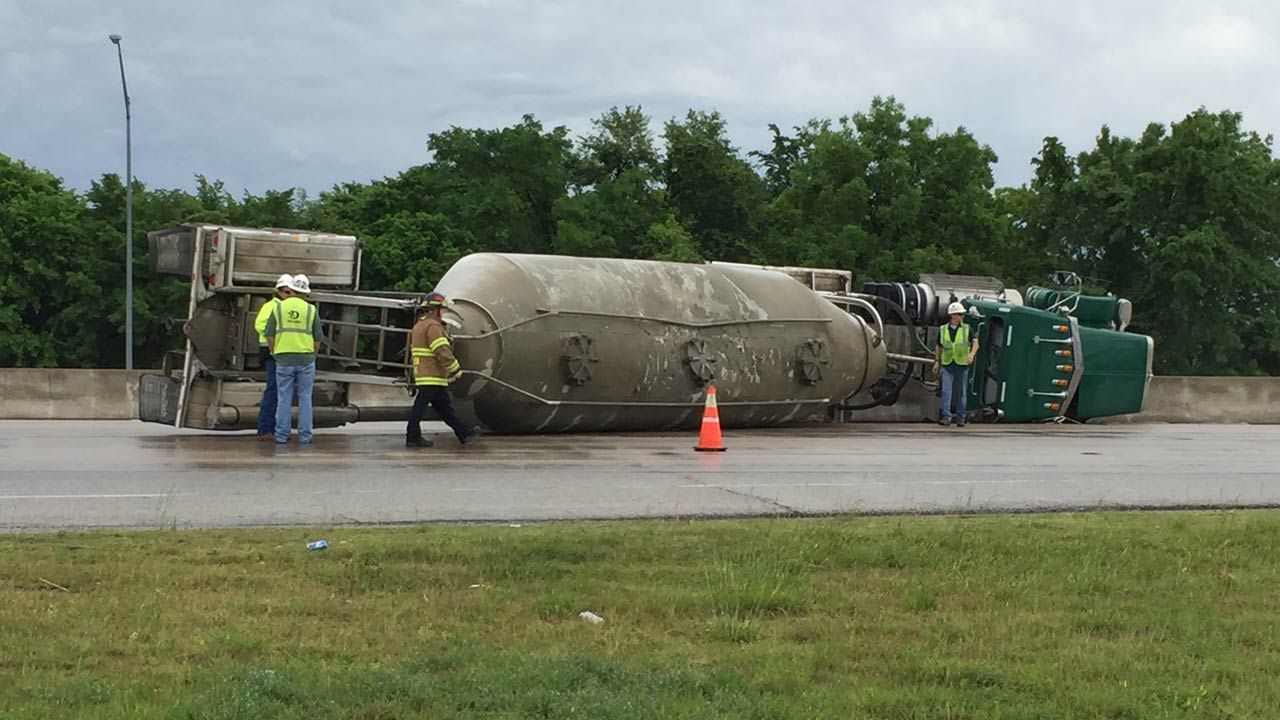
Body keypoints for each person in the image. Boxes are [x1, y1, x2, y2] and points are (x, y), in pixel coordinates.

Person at [406, 292, 479, 448]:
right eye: (442, 309)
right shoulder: (433, 326)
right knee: (420, 407)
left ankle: (464, 433)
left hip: (428, 374)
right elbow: (441, 349)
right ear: (435, 310)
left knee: (445, 409)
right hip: (431, 375)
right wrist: (455, 368)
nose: (443, 313)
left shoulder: (420, 325)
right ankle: (412, 437)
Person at [265, 274, 322, 444]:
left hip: (283, 358)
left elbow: (269, 334)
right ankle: (305, 436)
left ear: (293, 289)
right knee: (305, 397)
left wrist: (274, 352)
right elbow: (318, 337)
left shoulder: (278, 308)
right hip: (305, 358)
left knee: (284, 398)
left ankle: (281, 436)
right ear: (305, 292)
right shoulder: (311, 310)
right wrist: (313, 353)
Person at [253, 274, 293, 440]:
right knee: (274, 390)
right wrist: (277, 337)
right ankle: (265, 429)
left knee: (280, 392)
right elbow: (260, 325)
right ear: (279, 291)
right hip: (271, 352)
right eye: (286, 292)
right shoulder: (271, 306)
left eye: (292, 292)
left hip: (281, 351)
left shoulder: (285, 307)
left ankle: (276, 429)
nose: (289, 295)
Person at [933, 301, 979, 427]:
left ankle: (961, 417)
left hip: (962, 364)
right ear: (952, 315)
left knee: (961, 393)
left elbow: (975, 343)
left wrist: (971, 354)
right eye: (959, 314)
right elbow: (938, 345)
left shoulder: (967, 329)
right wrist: (937, 361)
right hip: (947, 364)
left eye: (962, 314)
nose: (961, 317)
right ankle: (946, 417)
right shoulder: (943, 330)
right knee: (946, 391)